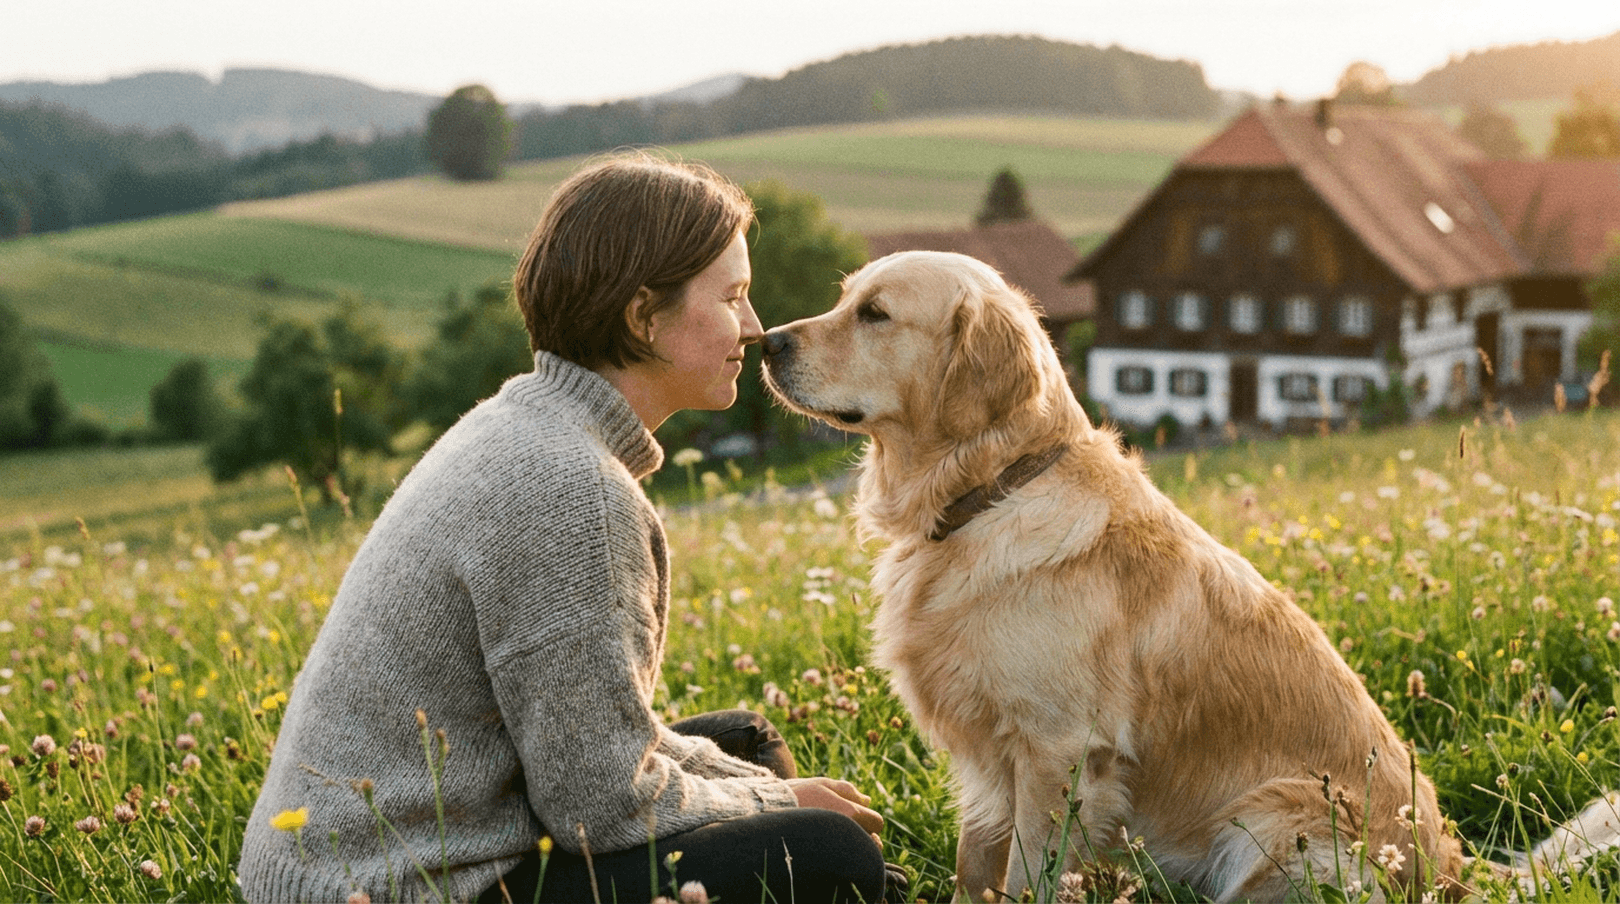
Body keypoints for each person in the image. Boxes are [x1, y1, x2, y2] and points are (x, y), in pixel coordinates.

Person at [238, 152, 897, 903]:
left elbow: (589, 747)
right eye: (733, 297)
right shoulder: (573, 490)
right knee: (831, 853)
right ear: (644, 315)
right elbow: (598, 808)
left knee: (739, 740)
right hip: (401, 887)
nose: (751, 327)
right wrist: (778, 805)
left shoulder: (529, 427)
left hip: (399, 848)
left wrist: (757, 794)